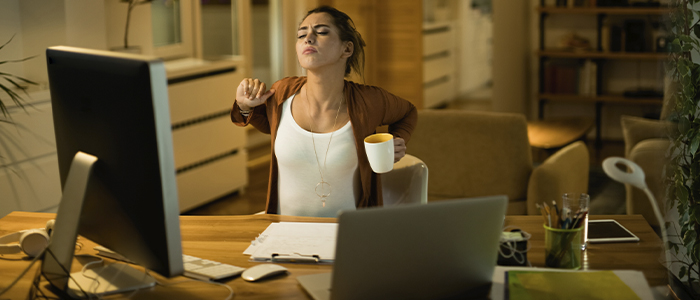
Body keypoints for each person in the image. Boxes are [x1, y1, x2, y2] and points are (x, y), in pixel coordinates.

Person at [231, 6, 417, 217]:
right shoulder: (282, 92)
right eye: (301, 34)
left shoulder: (370, 101)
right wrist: (245, 106)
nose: (308, 38)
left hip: (349, 235)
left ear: (346, 49)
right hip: (284, 233)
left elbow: (408, 111)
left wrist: (396, 141)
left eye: (321, 31)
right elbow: (270, 125)